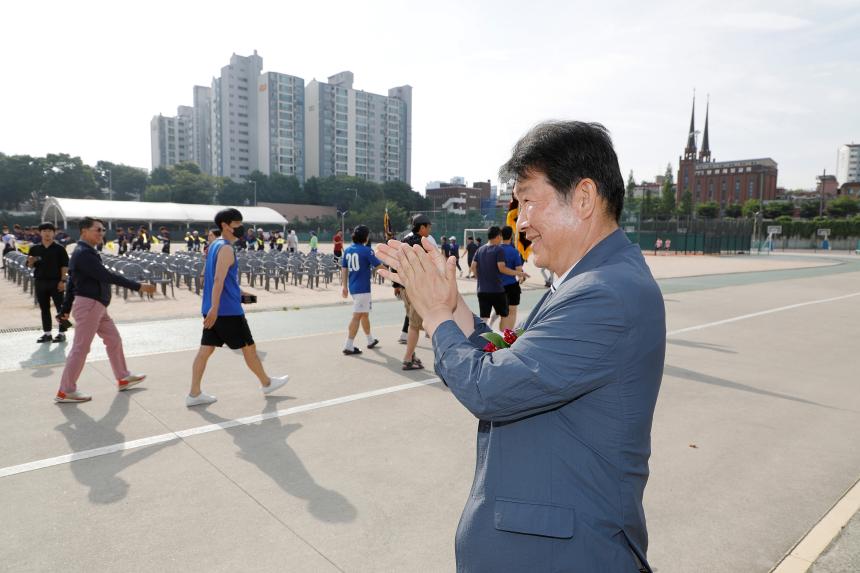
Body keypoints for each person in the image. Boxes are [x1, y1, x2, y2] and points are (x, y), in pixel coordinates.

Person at [375, 121, 665, 571]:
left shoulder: (605, 292)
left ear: (584, 198)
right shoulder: (583, 281)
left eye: (529, 200)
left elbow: (489, 388)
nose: (521, 220)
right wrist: (455, 310)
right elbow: (513, 354)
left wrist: (432, 317)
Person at [186, 208, 289, 407]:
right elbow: (217, 280)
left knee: (205, 351)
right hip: (226, 312)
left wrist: (240, 294)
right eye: (237, 224)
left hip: (214, 308)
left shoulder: (214, 245)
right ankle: (267, 383)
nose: (241, 228)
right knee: (249, 349)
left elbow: (218, 280)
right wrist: (216, 308)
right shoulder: (225, 248)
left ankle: (194, 393)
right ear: (225, 225)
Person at [54, 217, 157, 403]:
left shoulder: (86, 252)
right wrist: (137, 286)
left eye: (102, 230)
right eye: (97, 229)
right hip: (89, 305)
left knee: (113, 339)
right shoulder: (84, 253)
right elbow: (105, 276)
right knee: (81, 348)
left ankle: (123, 377)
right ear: (84, 231)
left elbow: (71, 283)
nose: (101, 233)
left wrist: (65, 309)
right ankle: (66, 390)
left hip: (97, 306)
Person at [392, 214, 433, 370]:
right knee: (415, 325)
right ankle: (408, 359)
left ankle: (412, 354)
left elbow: (395, 263)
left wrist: (395, 284)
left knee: (411, 321)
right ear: (422, 227)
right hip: (416, 288)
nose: (430, 229)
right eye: (428, 226)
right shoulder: (422, 243)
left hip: (403, 287)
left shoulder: (404, 241)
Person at [340, 225, 383, 355]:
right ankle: (348, 345)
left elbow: (344, 269)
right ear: (365, 236)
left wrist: (344, 286)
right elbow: (379, 266)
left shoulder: (348, 250)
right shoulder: (366, 251)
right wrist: (395, 276)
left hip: (354, 287)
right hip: (363, 288)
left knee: (364, 314)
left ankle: (370, 340)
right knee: (357, 315)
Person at [27, 222, 71, 343]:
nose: (47, 233)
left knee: (60, 308)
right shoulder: (34, 248)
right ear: (40, 233)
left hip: (56, 282)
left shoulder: (60, 249)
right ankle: (47, 333)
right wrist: (31, 261)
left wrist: (63, 281)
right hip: (40, 282)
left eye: (50, 231)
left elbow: (64, 267)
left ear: (54, 233)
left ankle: (62, 333)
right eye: (44, 231)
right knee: (44, 308)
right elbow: (30, 266)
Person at [470, 226, 522, 325]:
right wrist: (519, 273)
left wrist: (479, 278)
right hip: (497, 290)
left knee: (484, 317)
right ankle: (504, 338)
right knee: (505, 315)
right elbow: (502, 268)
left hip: (482, 290)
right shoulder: (499, 250)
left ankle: (482, 336)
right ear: (498, 236)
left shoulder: (480, 249)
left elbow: (473, 266)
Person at [499, 225, 528, 331]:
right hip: (511, 285)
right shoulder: (514, 251)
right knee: (512, 312)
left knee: (503, 314)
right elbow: (519, 270)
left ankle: (501, 336)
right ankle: (507, 337)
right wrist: (522, 277)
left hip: (497, 286)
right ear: (511, 236)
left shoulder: (495, 250)